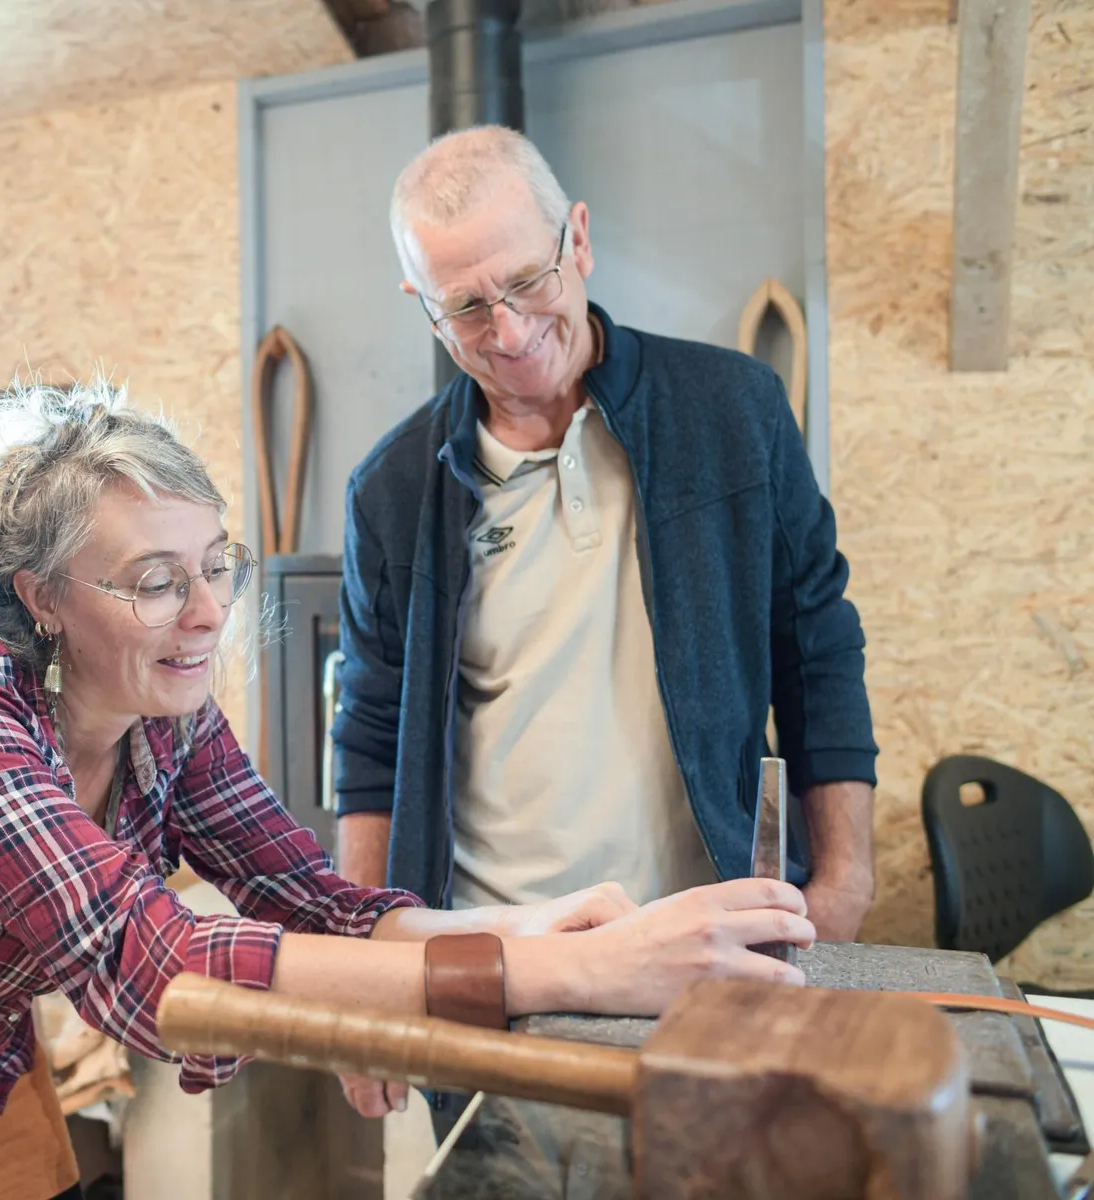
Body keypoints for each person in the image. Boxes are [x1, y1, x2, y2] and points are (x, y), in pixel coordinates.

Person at [0, 382, 815, 1200]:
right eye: (157, 581)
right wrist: (568, 972)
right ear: (42, 595)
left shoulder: (167, 712)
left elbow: (308, 896)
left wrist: (518, 926)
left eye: (215, 568)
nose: (207, 614)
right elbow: (152, 959)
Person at [328, 127, 877, 1138]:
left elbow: (818, 646)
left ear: (578, 239)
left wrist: (843, 877)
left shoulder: (734, 412)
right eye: (465, 305)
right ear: (423, 306)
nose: (507, 329)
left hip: (710, 956)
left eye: (528, 279)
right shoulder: (390, 491)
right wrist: (366, 980)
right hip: (498, 972)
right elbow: (367, 749)